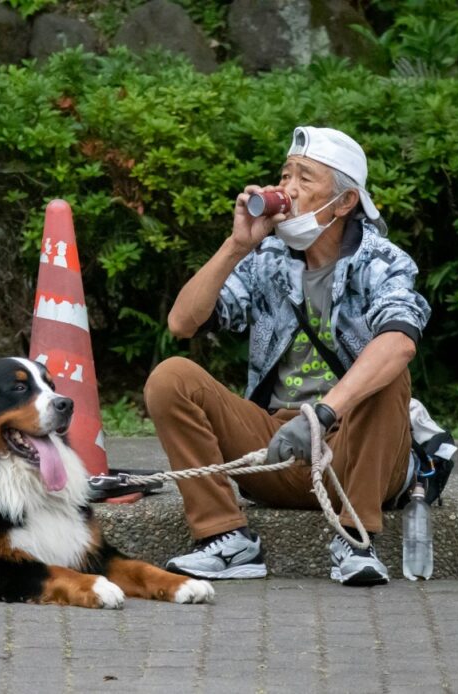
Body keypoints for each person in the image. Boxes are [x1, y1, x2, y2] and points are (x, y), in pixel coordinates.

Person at [144, 126, 431, 586]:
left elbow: (400, 342)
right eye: (284, 175)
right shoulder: (268, 260)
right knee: (171, 376)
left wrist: (322, 413)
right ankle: (227, 539)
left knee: (388, 369)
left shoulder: (382, 260)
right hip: (279, 448)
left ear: (344, 203)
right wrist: (238, 244)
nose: (285, 189)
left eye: (304, 178)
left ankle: (356, 539)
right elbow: (183, 324)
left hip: (358, 449)